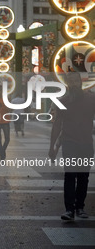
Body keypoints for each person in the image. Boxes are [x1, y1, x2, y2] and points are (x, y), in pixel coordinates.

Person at [49, 72, 95, 221]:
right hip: (69, 143)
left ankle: (80, 206)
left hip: (86, 143)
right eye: (71, 81)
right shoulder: (62, 101)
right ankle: (69, 209)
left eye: (76, 80)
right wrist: (52, 147)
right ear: (67, 84)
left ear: (80, 82)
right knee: (70, 174)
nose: (74, 83)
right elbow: (57, 125)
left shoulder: (91, 98)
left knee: (83, 176)